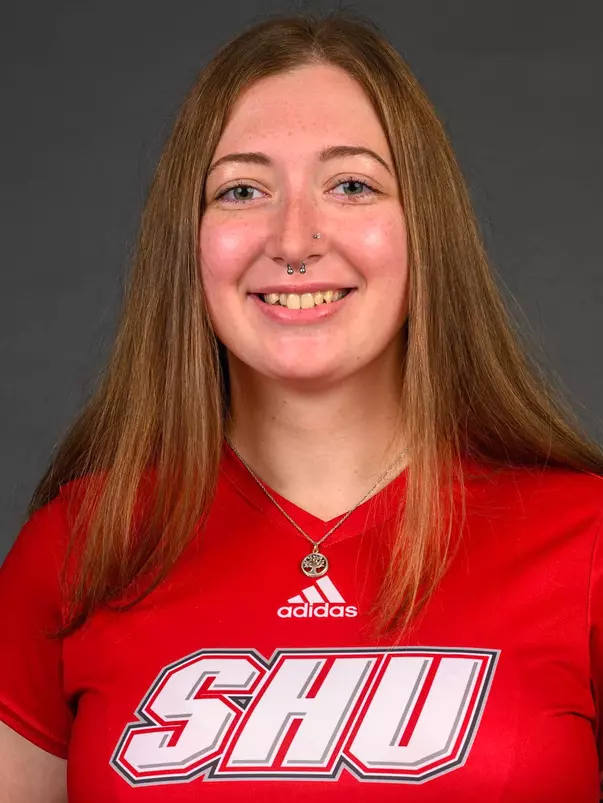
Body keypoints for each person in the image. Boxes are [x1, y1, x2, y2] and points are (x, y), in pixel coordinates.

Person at [1, 9, 602, 802]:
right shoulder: (77, 547)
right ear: (190, 238)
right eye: (242, 189)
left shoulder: (586, 544)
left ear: (425, 229)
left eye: (350, 184)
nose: (292, 238)